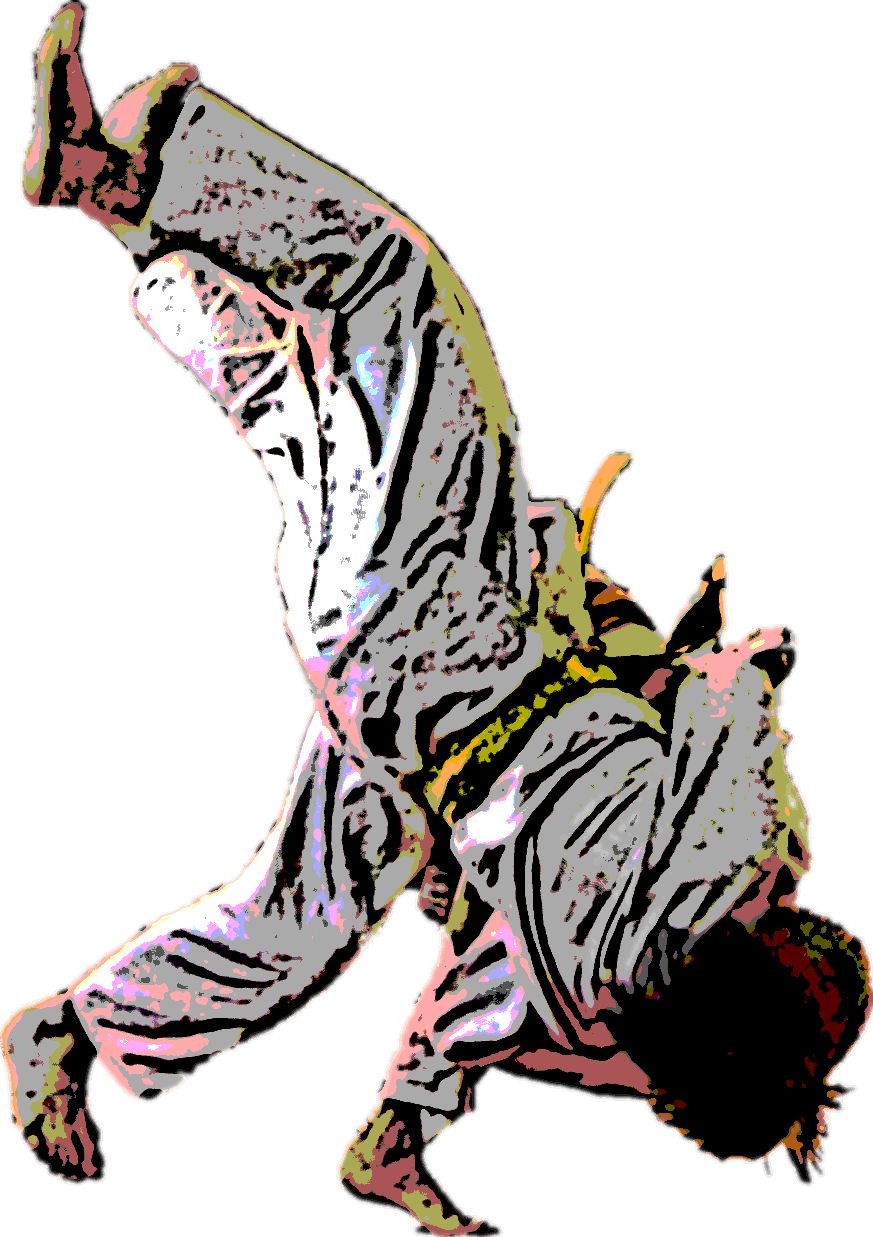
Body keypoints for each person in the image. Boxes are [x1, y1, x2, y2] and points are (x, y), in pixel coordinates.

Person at [4, 7, 870, 1234]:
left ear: (772, 964)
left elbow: (740, 682)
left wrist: (746, 664)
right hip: (395, 718)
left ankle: (147, 177)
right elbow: (453, 1027)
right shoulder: (588, 999)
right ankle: (72, 1030)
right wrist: (399, 1149)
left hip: (447, 619)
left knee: (390, 294)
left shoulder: (746, 858)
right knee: (300, 914)